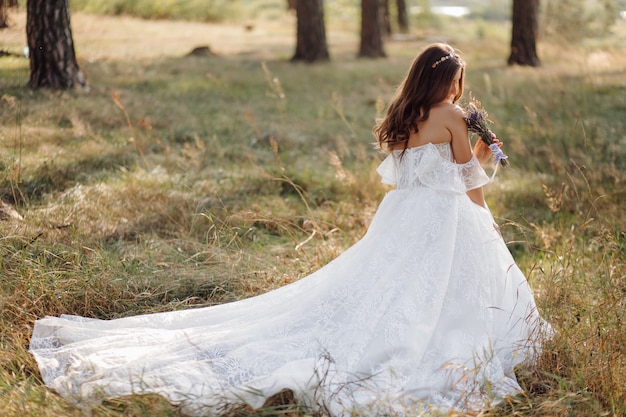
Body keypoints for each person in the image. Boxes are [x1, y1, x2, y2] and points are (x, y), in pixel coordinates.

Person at [29, 43, 551, 416]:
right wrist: (487, 165)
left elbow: (410, 173)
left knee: (381, 289)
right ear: (448, 83)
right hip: (441, 220)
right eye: (457, 82)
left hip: (401, 216)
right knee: (437, 293)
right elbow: (467, 183)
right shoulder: (453, 117)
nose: (460, 91)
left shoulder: (405, 114)